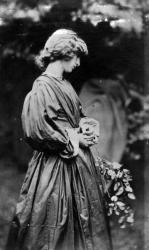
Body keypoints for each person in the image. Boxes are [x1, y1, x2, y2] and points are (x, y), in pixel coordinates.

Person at [6, 29, 112, 250]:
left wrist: (84, 126)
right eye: (77, 57)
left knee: (85, 226)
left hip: (80, 166)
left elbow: (76, 116)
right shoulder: (42, 87)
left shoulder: (66, 85)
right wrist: (73, 138)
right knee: (51, 227)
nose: (78, 63)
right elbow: (37, 130)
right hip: (54, 168)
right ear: (64, 53)